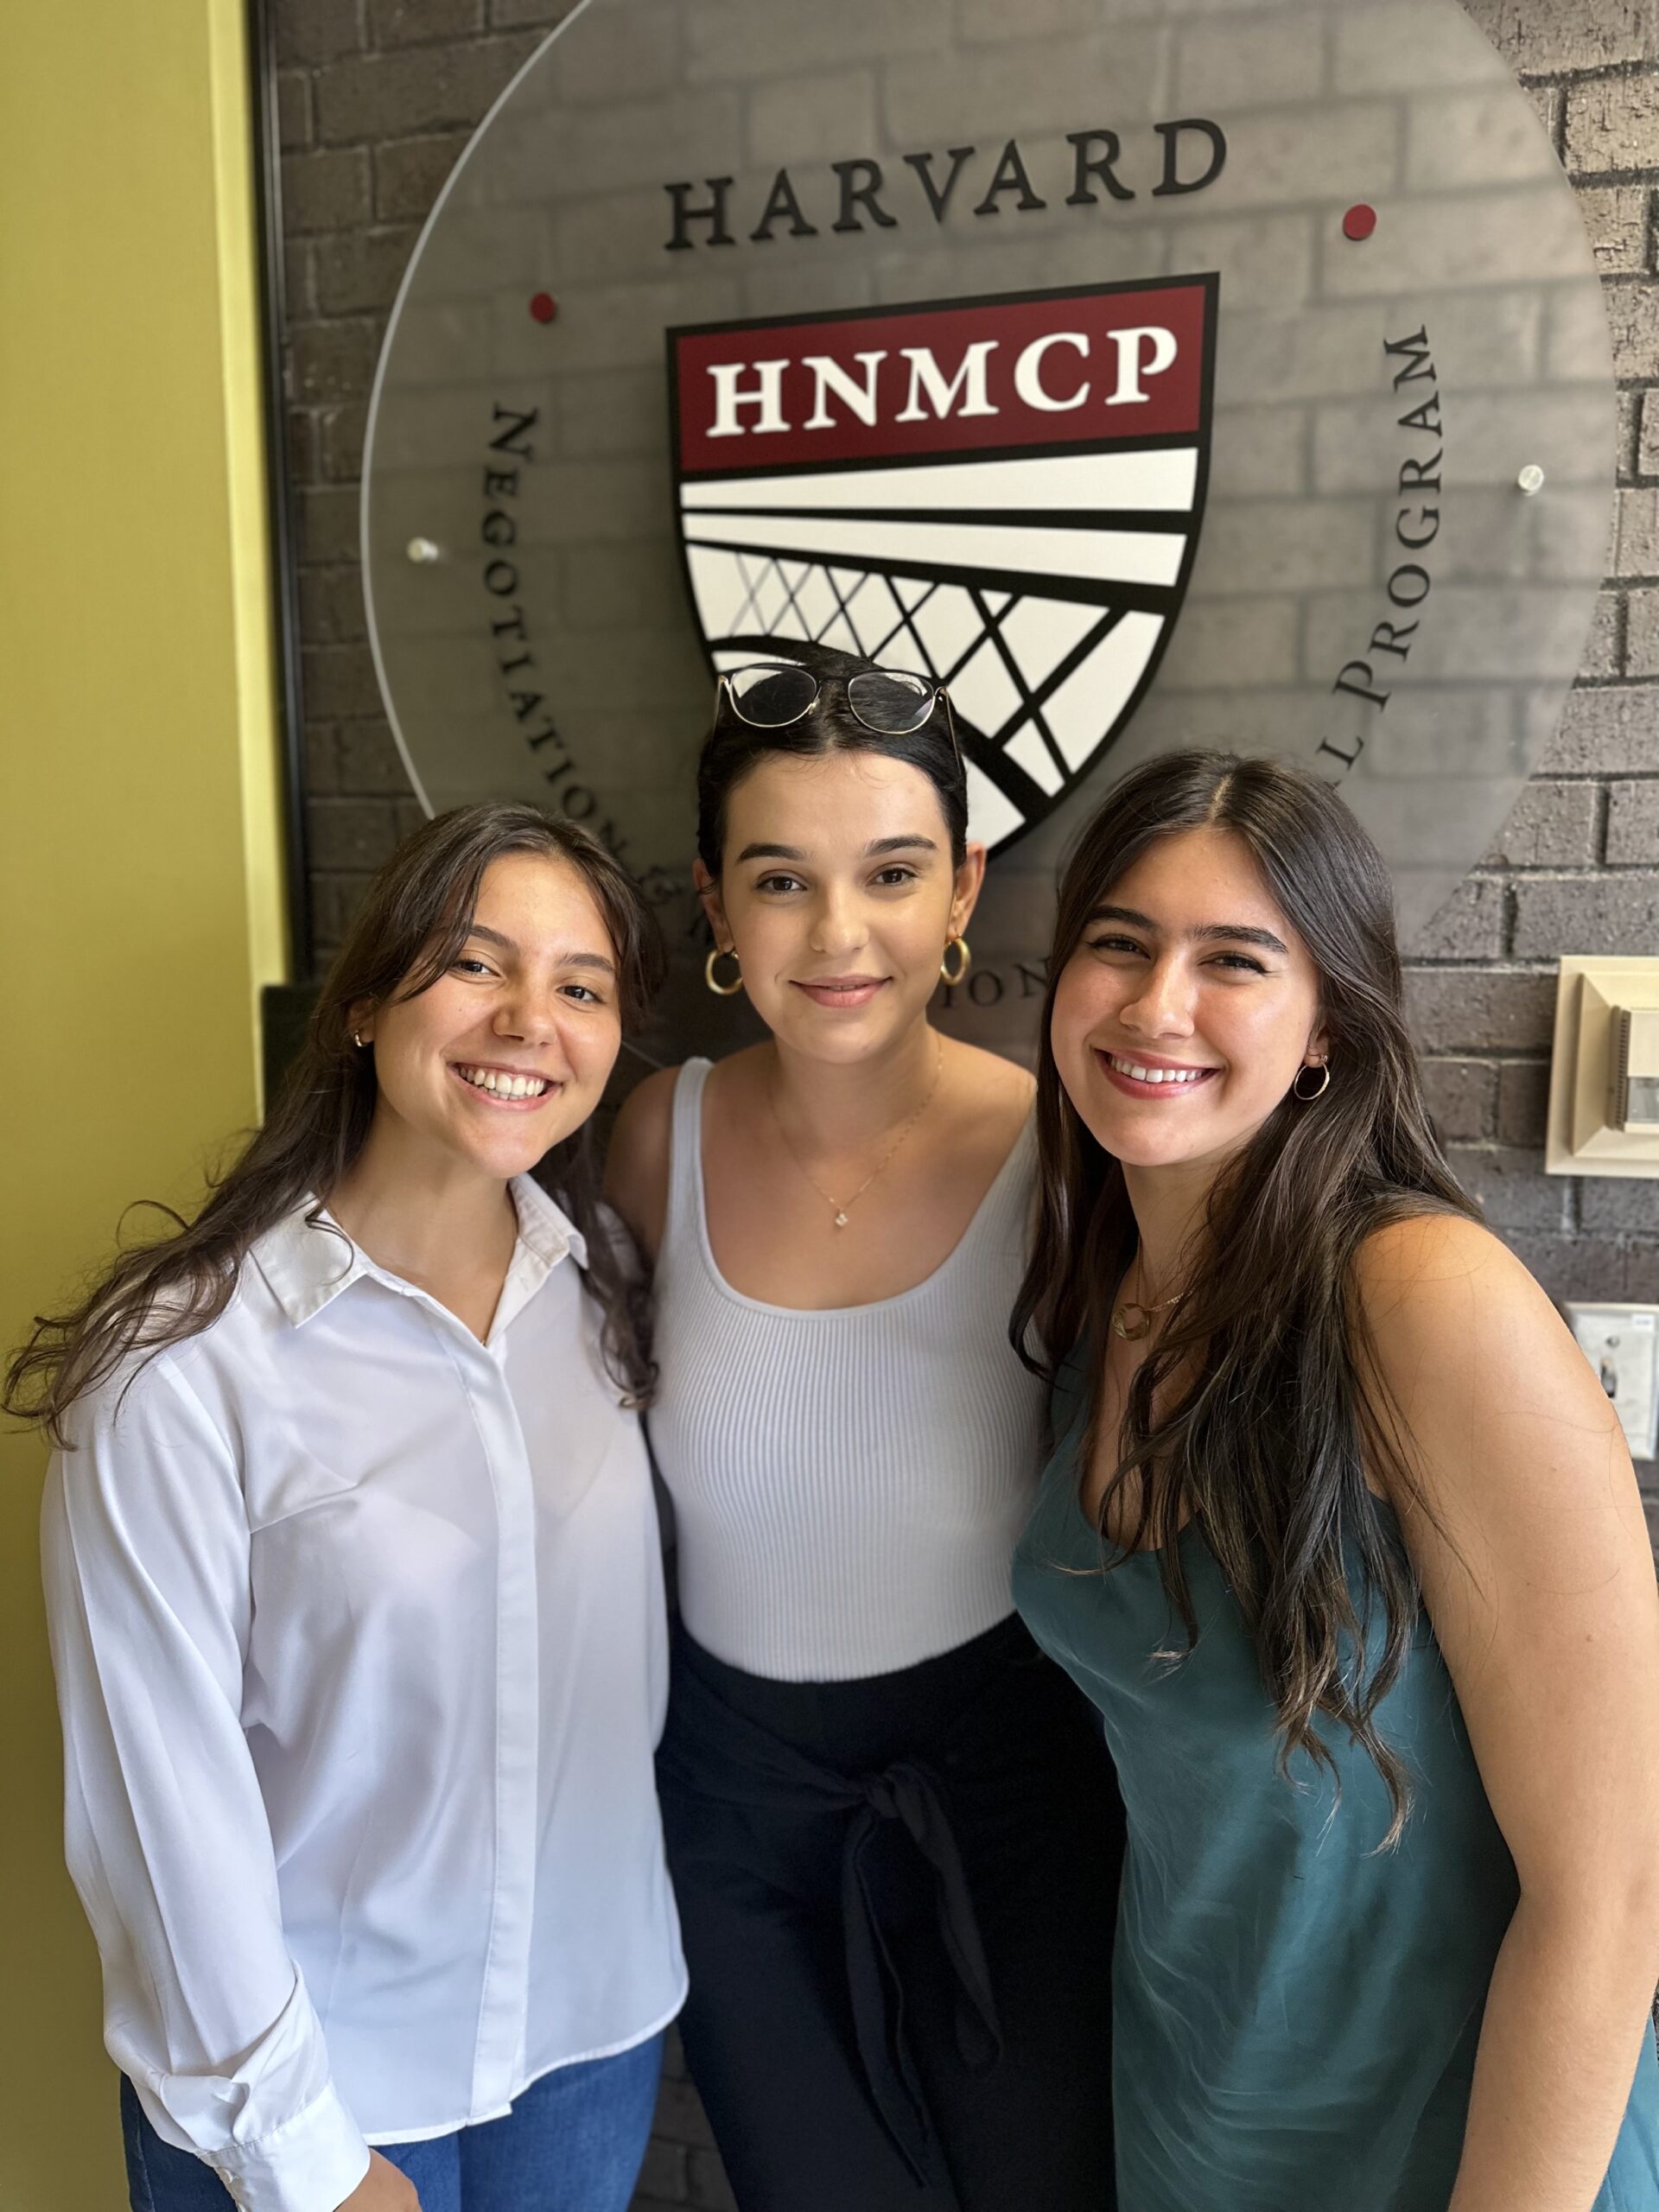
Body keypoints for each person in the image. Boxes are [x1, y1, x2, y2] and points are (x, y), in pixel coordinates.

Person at [7, 805, 686, 2212]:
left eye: (581, 986)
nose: (527, 1022)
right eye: (475, 964)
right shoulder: (182, 1363)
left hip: (590, 2037)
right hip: (309, 2094)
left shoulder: (604, 1281)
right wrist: (300, 2157)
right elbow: (157, 1805)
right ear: (369, 1003)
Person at [1009, 748, 1659, 2212]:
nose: (1156, 1004)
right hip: (1194, 2103)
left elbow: (1612, 1898)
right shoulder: (1102, 1296)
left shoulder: (1423, 1302)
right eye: (1118, 943)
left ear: (1324, 1031)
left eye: (1235, 960)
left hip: (1453, 2141)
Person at [605, 652, 1123, 2212]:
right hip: (736, 1814)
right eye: (781, 879)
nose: (839, 936)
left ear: (964, 886)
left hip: (1013, 1792)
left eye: (892, 873)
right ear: (716, 903)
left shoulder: (1068, 1146)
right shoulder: (652, 1137)